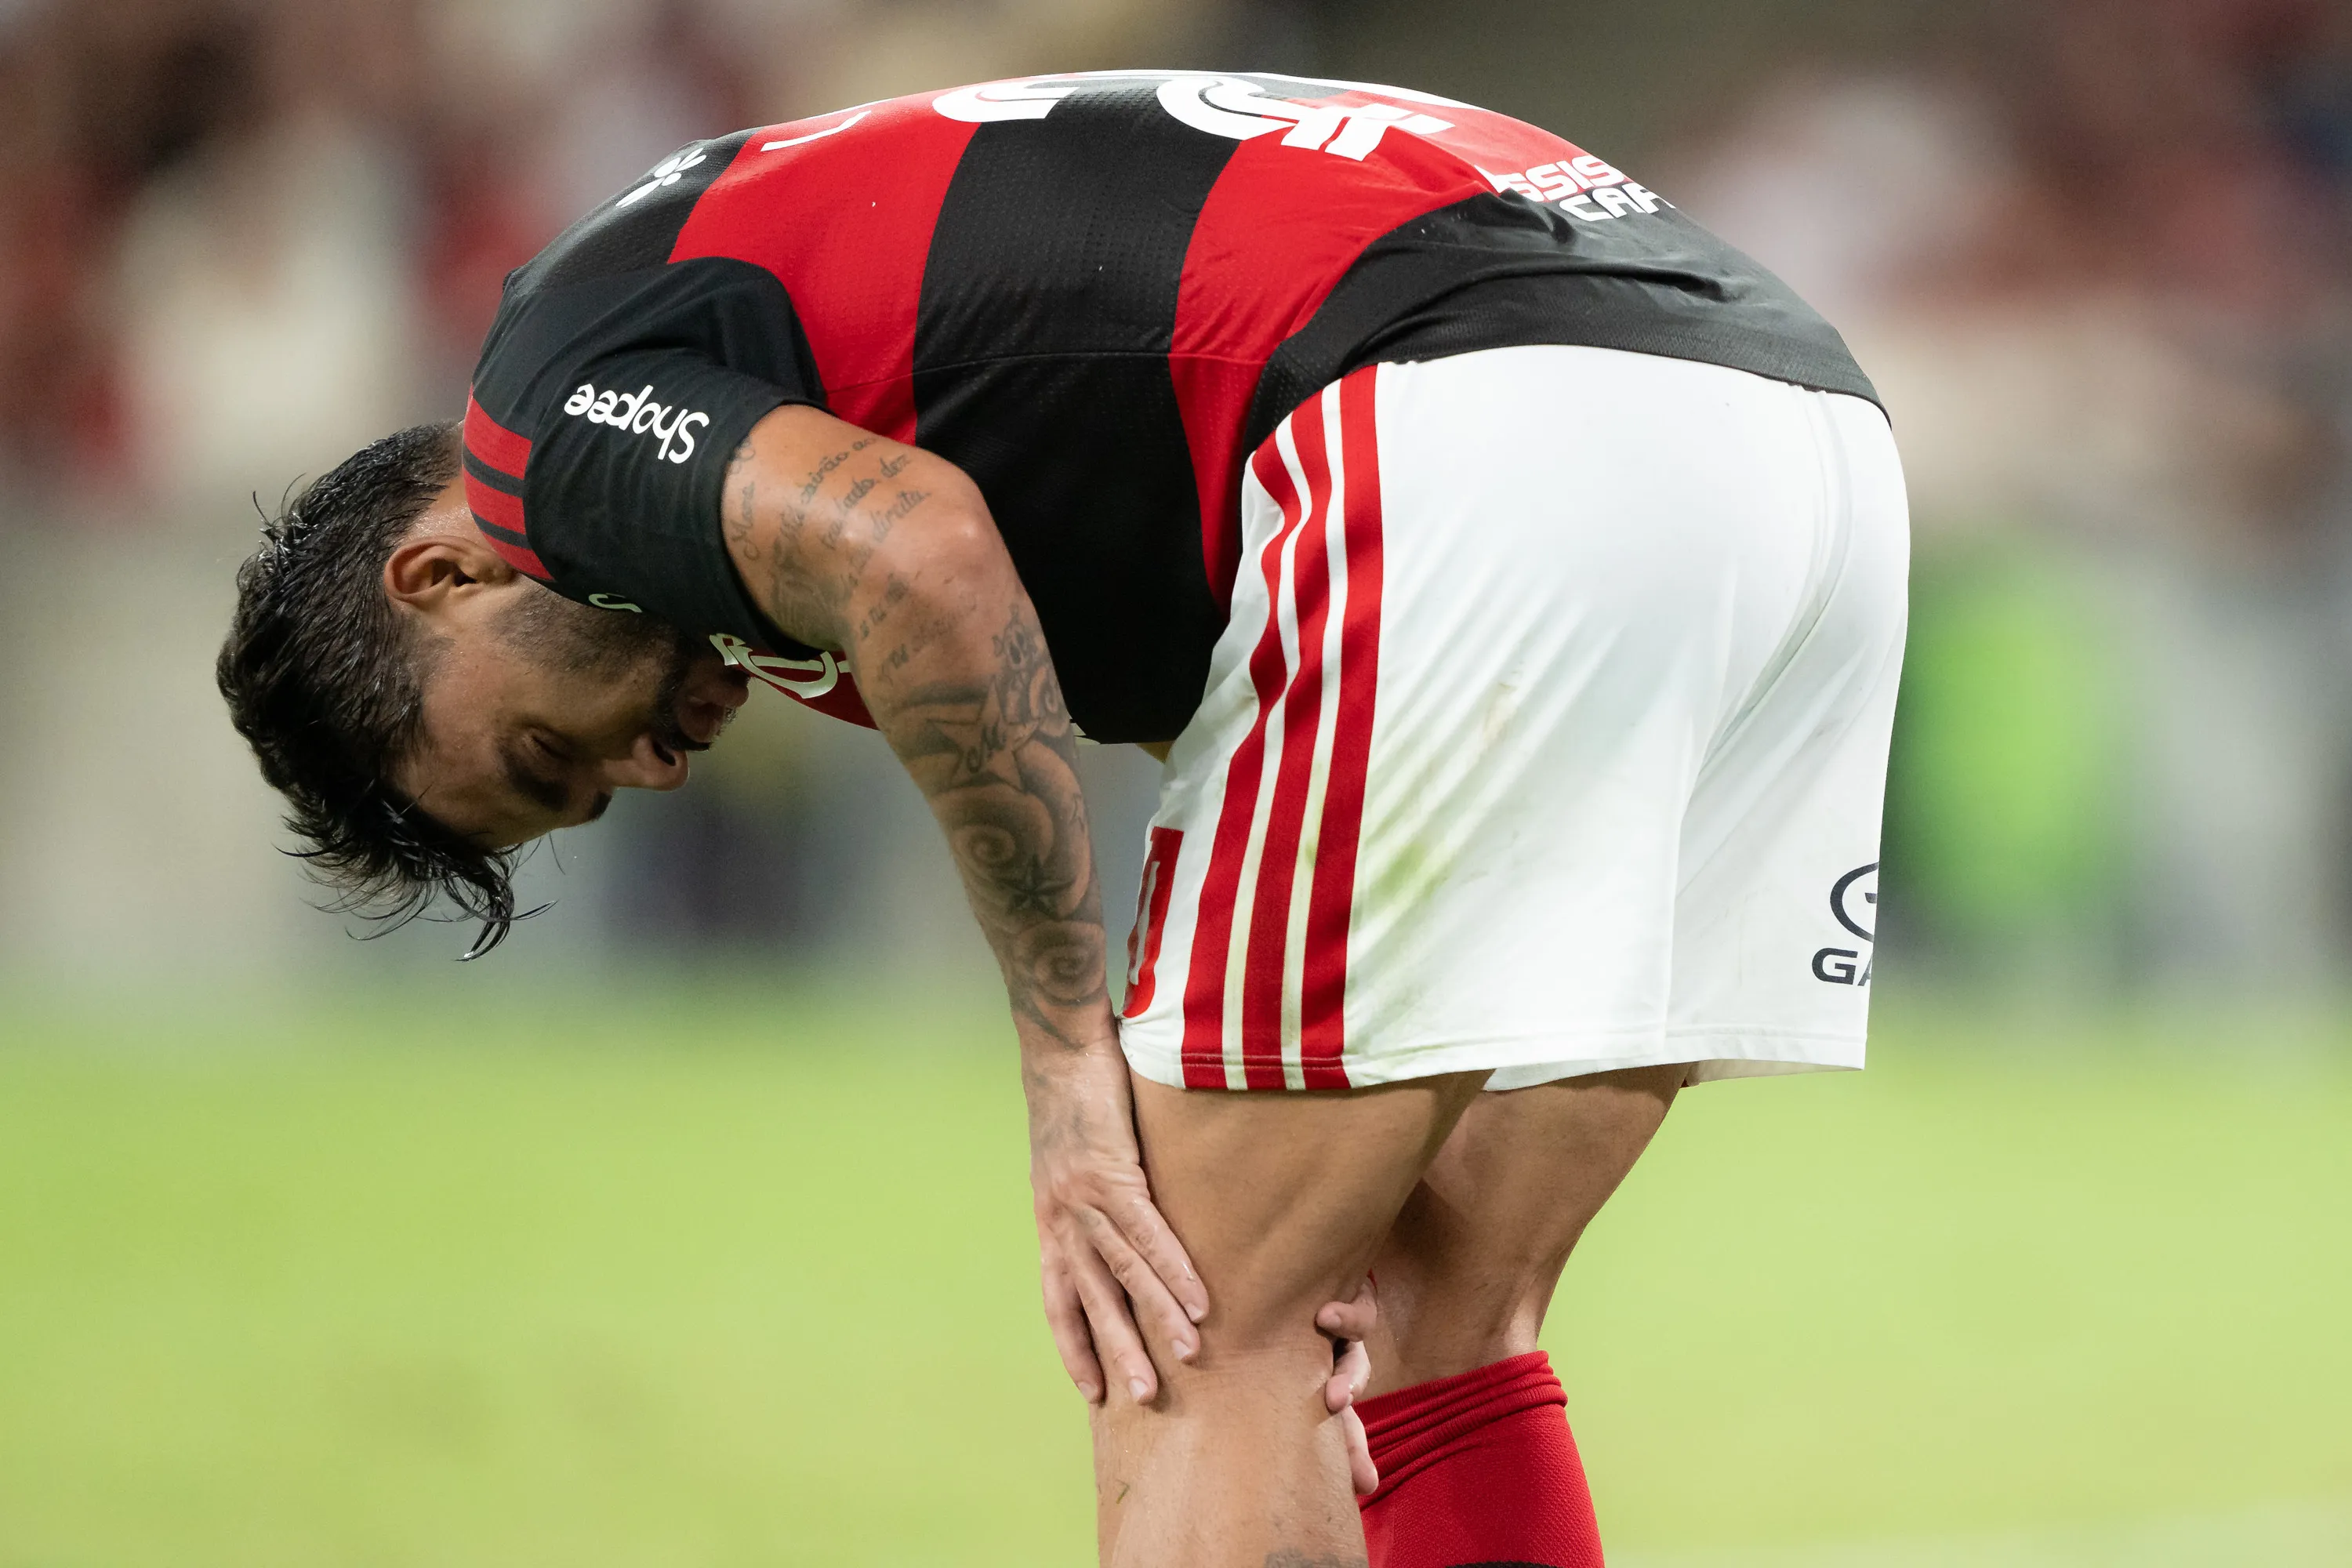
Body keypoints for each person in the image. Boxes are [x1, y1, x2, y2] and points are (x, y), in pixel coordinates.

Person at [217, 71, 1906, 1568]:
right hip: (1790, 429)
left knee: (1188, 1328)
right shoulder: (732, 399)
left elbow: (918, 549)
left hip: (1476, 416)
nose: (644, 774)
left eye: (541, 756)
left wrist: (1063, 1059)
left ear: (444, 573)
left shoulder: (542, 439)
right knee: (1423, 1323)